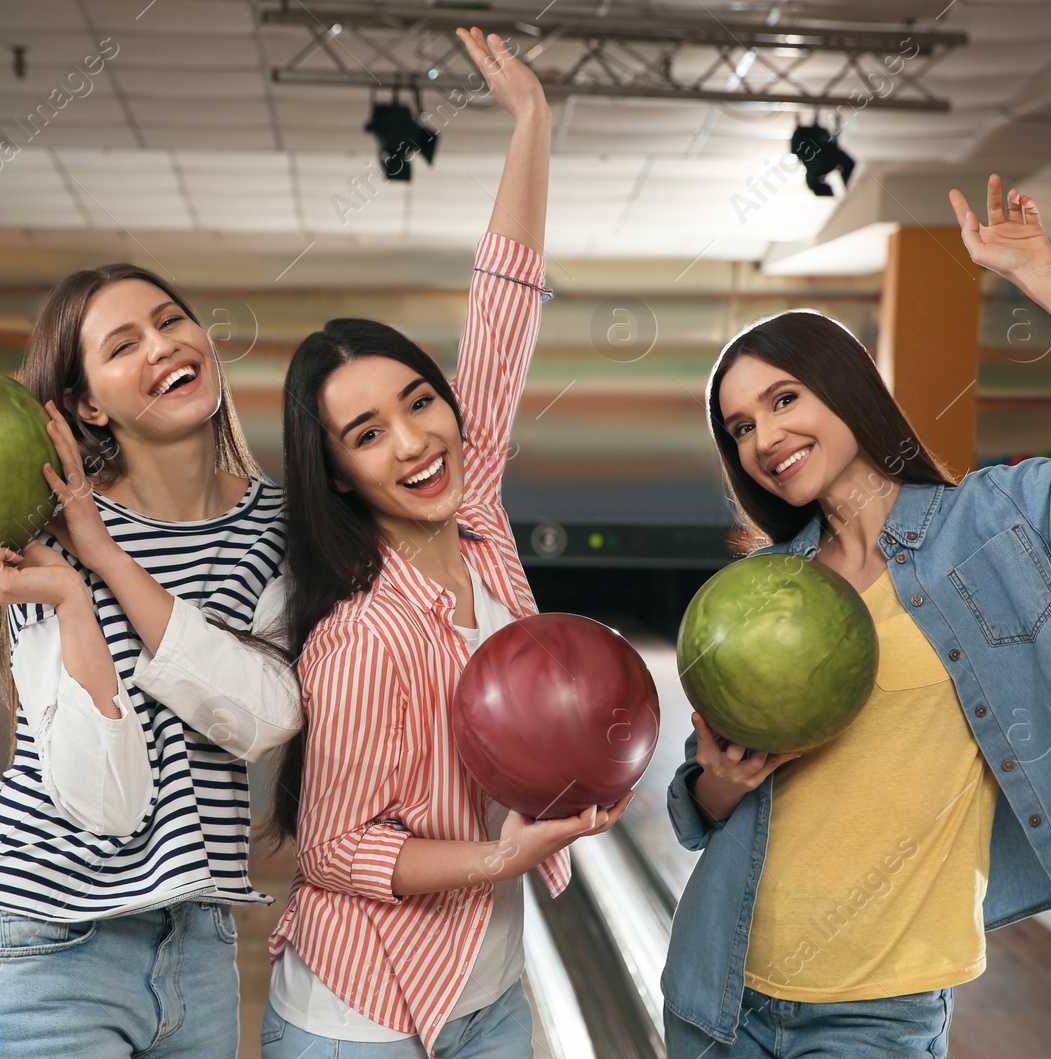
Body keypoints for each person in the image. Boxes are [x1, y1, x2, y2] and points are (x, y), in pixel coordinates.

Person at [661, 175, 1051, 1057]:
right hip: (716, 990)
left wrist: (1044, 279)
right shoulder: (764, 584)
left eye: (782, 401)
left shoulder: (1000, 528)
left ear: (844, 388)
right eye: (738, 427)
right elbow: (696, 808)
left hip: (877, 1013)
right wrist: (720, 780)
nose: (763, 438)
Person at [260, 28, 631, 1059]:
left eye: (421, 401)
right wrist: (497, 861)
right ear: (337, 472)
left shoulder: (478, 517)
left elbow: (502, 315)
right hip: (363, 1016)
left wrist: (531, 126)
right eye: (366, 434)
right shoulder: (359, 633)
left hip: (491, 990)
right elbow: (334, 849)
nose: (415, 439)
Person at [0, 260, 303, 1058]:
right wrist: (73, 598)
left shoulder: (275, 525)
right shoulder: (38, 534)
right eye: (123, 344)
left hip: (197, 938)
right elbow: (103, 801)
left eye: (171, 321)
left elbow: (264, 716)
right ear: (84, 402)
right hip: (45, 941)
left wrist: (107, 561)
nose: (163, 346)